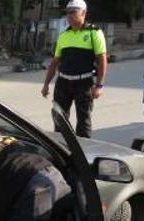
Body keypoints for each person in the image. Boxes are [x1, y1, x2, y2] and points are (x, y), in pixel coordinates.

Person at [41, 0, 107, 138]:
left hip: (84, 84)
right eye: (67, 13)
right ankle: (62, 150)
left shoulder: (94, 33)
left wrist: (99, 85)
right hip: (63, 83)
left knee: (83, 122)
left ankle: (84, 154)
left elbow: (102, 60)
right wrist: (46, 84)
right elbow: (55, 62)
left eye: (73, 12)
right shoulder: (64, 35)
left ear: (83, 13)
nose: (69, 16)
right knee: (59, 120)